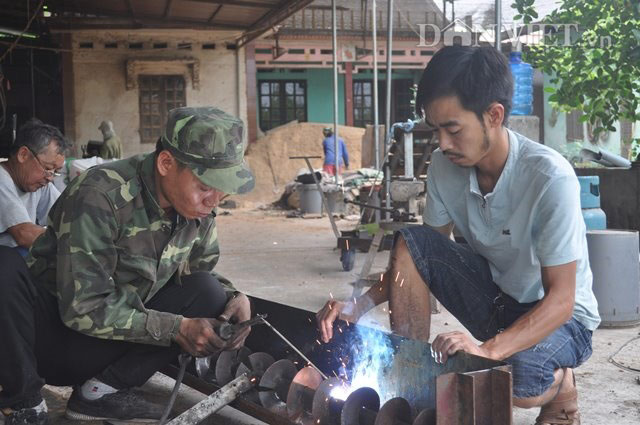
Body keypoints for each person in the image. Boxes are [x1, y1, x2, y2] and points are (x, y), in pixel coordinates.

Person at [316, 46, 599, 425]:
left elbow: (562, 300)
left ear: (494, 115)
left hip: (563, 319)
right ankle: (411, 382)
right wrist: (356, 306)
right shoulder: (444, 168)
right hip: (501, 300)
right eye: (436, 130)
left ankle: (562, 386)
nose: (443, 144)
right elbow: (418, 259)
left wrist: (488, 349)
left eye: (453, 129)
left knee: (515, 384)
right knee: (411, 239)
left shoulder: (549, 178)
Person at [0, 106, 255, 425]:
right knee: (4, 265)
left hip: (113, 339)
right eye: (205, 186)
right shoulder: (101, 194)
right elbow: (82, 308)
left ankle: (99, 394)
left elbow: (196, 272)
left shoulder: (196, 209)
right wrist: (176, 327)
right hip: (51, 342)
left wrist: (234, 297)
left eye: (222, 189)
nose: (213, 200)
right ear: (166, 164)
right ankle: (24, 401)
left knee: (208, 291)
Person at [0, 121, 67, 255]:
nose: (50, 178)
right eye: (48, 168)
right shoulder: (2, 179)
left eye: (55, 171)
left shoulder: (38, 181)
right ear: (23, 155)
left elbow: (66, 214)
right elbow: (24, 234)